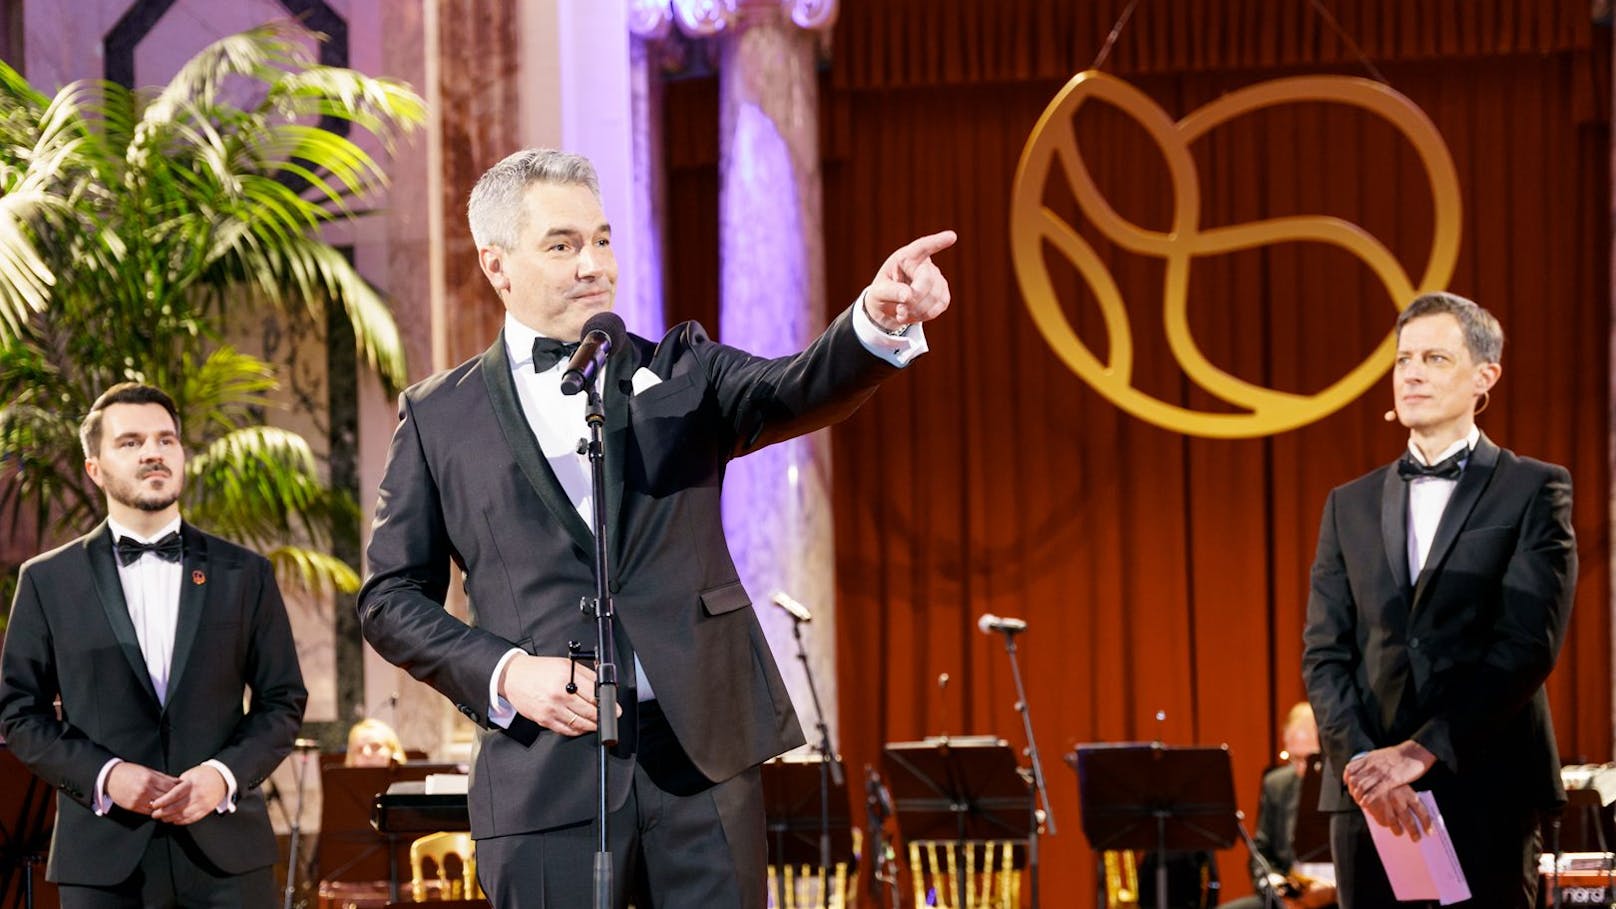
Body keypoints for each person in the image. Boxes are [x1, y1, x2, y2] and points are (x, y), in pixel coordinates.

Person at [357, 147, 954, 909]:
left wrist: (873, 322)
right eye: (563, 244)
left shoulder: (681, 368)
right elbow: (389, 598)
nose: (593, 265)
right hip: (544, 777)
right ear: (497, 264)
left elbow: (792, 385)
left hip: (699, 759)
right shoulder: (439, 415)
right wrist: (509, 673)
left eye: (602, 239)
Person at [1301, 292, 1576, 908]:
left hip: (1486, 784)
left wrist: (1422, 751)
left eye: (1435, 358)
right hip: (1369, 796)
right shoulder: (1348, 503)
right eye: (1403, 361)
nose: (1413, 373)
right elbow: (1324, 652)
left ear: (1485, 377)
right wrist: (1369, 765)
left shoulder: (1535, 488)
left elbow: (1528, 645)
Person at [0, 382, 308, 908]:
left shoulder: (245, 573)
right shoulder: (46, 581)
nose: (152, 452)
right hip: (103, 862)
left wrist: (223, 775)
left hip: (229, 861)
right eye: (131, 442)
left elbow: (283, 701)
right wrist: (106, 775)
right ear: (94, 467)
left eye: (166, 440)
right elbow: (18, 713)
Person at [1223, 703, 1337, 909]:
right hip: (1291, 897)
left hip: (1338, 896)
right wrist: (1273, 882)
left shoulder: (1347, 785)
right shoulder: (1277, 784)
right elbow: (1261, 850)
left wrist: (1333, 892)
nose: (1301, 769)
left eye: (1308, 759)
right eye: (1293, 758)